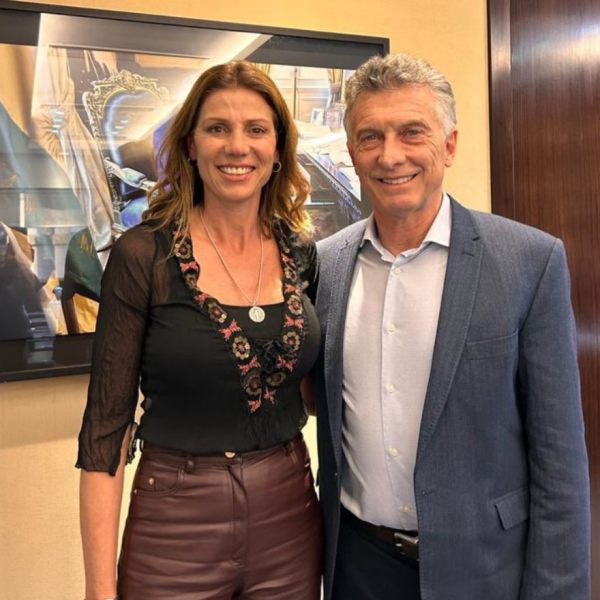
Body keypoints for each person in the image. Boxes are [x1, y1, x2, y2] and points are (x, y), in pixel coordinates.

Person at [314, 53, 590, 600]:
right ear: (351, 152)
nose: (390, 155)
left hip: (485, 570)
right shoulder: (324, 266)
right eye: (370, 137)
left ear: (449, 145)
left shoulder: (529, 261)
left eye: (412, 132)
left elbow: (559, 461)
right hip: (357, 568)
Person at [76, 60, 322, 600]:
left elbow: (312, 392)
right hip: (175, 523)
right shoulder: (144, 255)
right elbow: (105, 431)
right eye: (217, 128)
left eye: (256, 129)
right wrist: (99, 588)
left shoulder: (301, 253)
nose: (238, 146)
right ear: (191, 145)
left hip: (290, 518)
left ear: (278, 149)